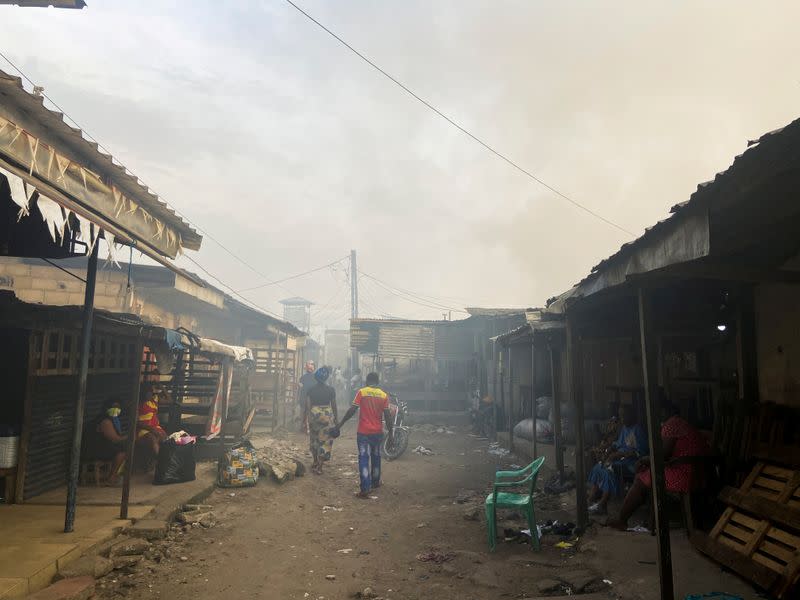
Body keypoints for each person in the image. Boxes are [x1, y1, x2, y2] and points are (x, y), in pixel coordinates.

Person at [607, 399, 710, 530]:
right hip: (697, 473)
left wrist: (644, 460)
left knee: (641, 479)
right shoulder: (681, 423)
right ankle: (648, 519)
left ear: (664, 411)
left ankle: (623, 520)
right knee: (646, 474)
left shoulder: (672, 424)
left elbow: (662, 455)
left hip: (684, 475)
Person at [337, 372, 394, 498]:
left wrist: (340, 424)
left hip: (363, 432)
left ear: (367, 381)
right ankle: (375, 482)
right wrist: (391, 434)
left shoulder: (362, 392)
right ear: (377, 382)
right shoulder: (384, 395)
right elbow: (388, 416)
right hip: (377, 432)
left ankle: (365, 488)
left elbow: (352, 410)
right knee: (376, 456)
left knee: (363, 458)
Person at [586, 405, 648, 515]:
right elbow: (619, 444)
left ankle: (602, 504)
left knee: (610, 469)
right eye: (621, 416)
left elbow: (641, 452)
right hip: (621, 461)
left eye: (625, 416)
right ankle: (591, 498)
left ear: (632, 415)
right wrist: (610, 449)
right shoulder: (624, 428)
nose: (622, 419)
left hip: (632, 464)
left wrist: (619, 454)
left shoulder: (638, 430)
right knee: (599, 466)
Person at [84, 398, 128, 485]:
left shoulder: (114, 419)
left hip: (101, 446)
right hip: (93, 449)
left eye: (118, 407)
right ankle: (111, 478)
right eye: (114, 407)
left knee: (125, 448)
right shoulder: (105, 421)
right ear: (107, 408)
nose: (116, 409)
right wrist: (127, 437)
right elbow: (114, 438)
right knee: (122, 452)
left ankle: (116, 475)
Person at [303, 366, 338, 475]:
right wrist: (336, 418)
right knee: (325, 442)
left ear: (316, 378)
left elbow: (307, 406)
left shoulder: (311, 390)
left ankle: (314, 461)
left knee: (314, 440)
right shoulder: (331, 390)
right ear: (326, 378)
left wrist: (307, 419)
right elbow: (334, 405)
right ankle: (320, 466)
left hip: (314, 415)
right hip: (327, 416)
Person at [136, 385, 167, 465]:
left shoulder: (154, 401)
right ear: (144, 393)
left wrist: (163, 388)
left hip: (155, 428)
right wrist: (151, 429)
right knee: (153, 439)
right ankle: (162, 463)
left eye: (151, 393)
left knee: (165, 438)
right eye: (149, 393)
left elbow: (170, 400)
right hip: (143, 429)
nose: (151, 395)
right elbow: (136, 422)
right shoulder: (138, 403)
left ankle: (165, 461)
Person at [297, 360, 316, 429]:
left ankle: (302, 425)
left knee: (303, 411)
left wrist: (298, 398)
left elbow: (300, 388)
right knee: (310, 412)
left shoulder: (302, 378)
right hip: (312, 399)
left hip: (305, 398)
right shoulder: (316, 378)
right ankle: (308, 425)